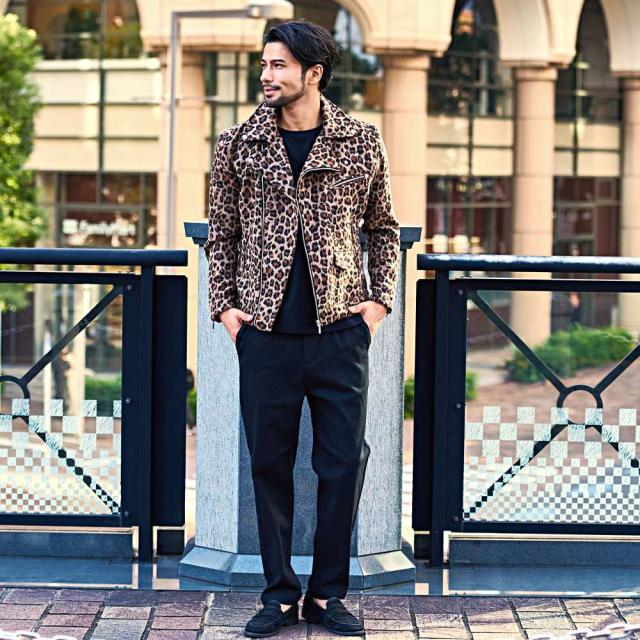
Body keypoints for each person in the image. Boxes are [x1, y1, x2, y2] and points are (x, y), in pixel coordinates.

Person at [205, 19, 400, 638]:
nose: (266, 75)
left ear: (313, 73)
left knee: (342, 465)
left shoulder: (360, 141)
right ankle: (279, 594)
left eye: (279, 65)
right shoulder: (238, 144)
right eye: (265, 64)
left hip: (340, 330)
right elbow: (222, 233)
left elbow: (383, 230)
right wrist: (224, 309)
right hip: (263, 333)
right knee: (269, 465)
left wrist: (378, 305)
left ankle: (327, 594)